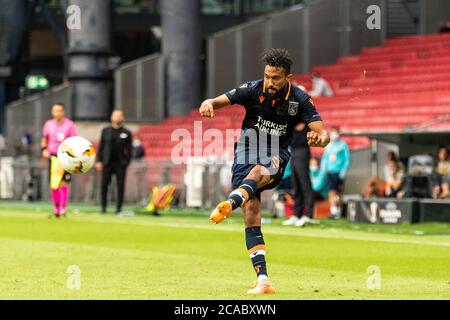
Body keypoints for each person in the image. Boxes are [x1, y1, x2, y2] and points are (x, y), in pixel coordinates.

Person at [199, 48, 329, 294]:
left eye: (276, 78)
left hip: (275, 154)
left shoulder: (300, 99)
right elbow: (218, 100)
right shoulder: (252, 88)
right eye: (268, 76)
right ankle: (263, 280)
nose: (270, 82)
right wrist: (208, 103)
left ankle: (231, 201)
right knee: (251, 212)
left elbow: (324, 134)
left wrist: (319, 138)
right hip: (244, 154)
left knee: (260, 170)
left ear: (287, 78)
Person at [41, 102, 77, 217]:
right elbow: (44, 139)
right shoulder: (48, 124)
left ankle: (63, 208)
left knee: (64, 183)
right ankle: (56, 208)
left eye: (60, 110)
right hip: (53, 157)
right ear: (52, 112)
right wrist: (44, 149)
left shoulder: (69, 125)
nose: (57, 113)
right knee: (54, 183)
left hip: (65, 157)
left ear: (63, 112)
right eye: (55, 111)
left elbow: (73, 141)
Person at [95, 110, 132, 214]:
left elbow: (129, 149)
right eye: (115, 116)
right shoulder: (105, 131)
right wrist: (99, 160)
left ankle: (119, 208)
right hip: (106, 163)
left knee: (120, 186)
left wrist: (126, 162)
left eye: (119, 116)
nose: (117, 118)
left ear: (122, 118)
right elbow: (101, 146)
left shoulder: (126, 133)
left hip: (120, 164)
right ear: (111, 117)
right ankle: (103, 208)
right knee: (104, 185)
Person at [282, 123, 315, 227]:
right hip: (293, 153)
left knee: (305, 184)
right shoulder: (291, 124)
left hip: (303, 153)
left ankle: (309, 215)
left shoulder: (306, 124)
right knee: (296, 185)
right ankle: (297, 214)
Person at [321, 127, 350, 219]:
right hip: (330, 171)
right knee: (331, 192)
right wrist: (323, 168)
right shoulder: (328, 145)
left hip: (339, 172)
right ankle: (333, 210)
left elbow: (347, 159)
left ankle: (339, 211)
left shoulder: (343, 145)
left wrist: (344, 170)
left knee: (339, 192)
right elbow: (325, 158)